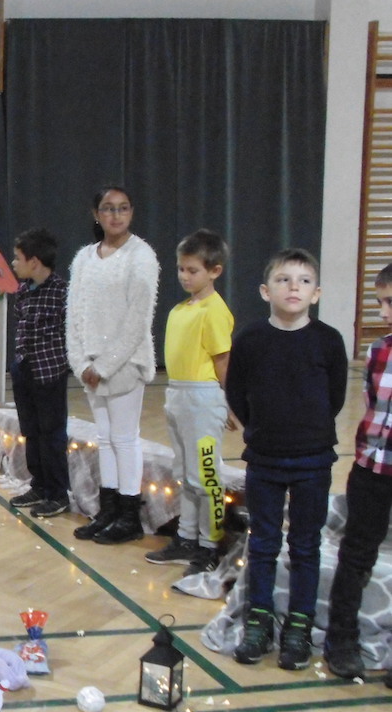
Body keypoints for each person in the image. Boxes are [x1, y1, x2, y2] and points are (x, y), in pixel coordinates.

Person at [226, 248, 347, 669]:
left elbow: (335, 397)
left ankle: (299, 625)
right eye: (283, 279)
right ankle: (258, 621)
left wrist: (308, 429)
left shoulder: (328, 340)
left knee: (305, 545)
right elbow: (236, 391)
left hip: (313, 460)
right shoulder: (250, 339)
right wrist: (261, 429)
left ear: (316, 293)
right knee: (262, 543)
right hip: (264, 459)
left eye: (304, 281)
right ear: (265, 291)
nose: (294, 287)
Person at [66, 185, 160, 545]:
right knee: (105, 439)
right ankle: (108, 510)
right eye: (108, 208)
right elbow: (74, 314)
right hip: (90, 366)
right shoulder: (84, 258)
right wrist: (81, 363)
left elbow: (138, 320)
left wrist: (105, 366)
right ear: (96, 214)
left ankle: (129, 515)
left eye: (123, 208)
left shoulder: (141, 256)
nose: (116, 215)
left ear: (131, 212)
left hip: (124, 364)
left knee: (124, 438)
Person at [145, 230, 236, 576]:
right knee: (185, 473)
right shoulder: (180, 310)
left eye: (192, 270)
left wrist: (230, 402)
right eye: (181, 269)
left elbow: (223, 360)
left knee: (206, 475)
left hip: (203, 398)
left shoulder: (215, 311)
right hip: (178, 394)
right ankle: (186, 538)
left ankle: (210, 545)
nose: (184, 276)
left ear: (215, 271)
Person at [325, 262, 392, 686]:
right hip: (371, 469)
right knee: (357, 553)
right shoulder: (378, 351)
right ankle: (341, 639)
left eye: (390, 303)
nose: (383, 313)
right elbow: (372, 406)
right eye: (380, 302)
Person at [7, 228, 71, 519]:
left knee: (52, 434)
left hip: (50, 373)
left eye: (17, 258)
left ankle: (57, 494)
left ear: (34, 262)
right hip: (24, 370)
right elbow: (21, 326)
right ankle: (39, 485)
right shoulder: (23, 291)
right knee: (30, 431)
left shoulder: (62, 292)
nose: (13, 263)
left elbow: (69, 332)